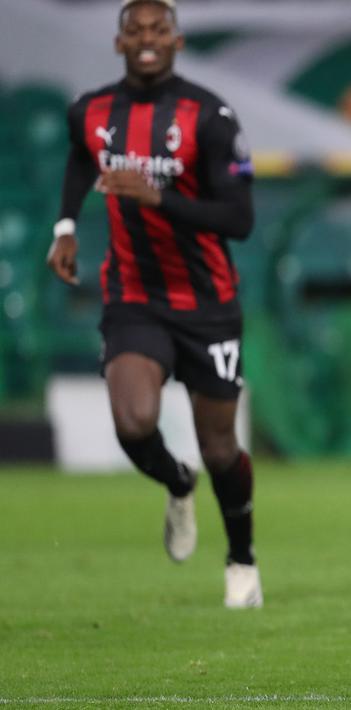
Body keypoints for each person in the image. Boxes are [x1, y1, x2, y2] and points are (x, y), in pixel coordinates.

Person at [46, 0, 261, 608]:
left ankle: (241, 559)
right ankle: (176, 480)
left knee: (220, 447)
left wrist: (158, 198)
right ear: (119, 43)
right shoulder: (90, 111)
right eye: (135, 30)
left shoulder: (210, 116)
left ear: (177, 41)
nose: (147, 39)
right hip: (134, 295)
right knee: (133, 422)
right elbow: (79, 158)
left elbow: (240, 219)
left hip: (208, 301)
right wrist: (65, 226)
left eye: (158, 30)